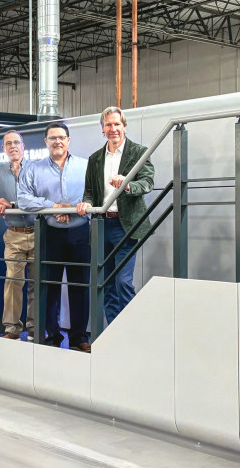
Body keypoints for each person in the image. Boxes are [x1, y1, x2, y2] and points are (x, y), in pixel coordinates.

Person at [76, 106, 154, 324]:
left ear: (124, 126)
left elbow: (147, 182)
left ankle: (129, 331)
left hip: (126, 226)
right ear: (102, 129)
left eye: (117, 124)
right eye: (108, 125)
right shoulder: (95, 158)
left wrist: (127, 184)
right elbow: (89, 191)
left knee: (123, 282)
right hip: (102, 226)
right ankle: (114, 329)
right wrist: (87, 203)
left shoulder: (138, 152)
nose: (113, 129)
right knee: (107, 283)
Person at [18, 122, 91, 352]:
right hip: (49, 233)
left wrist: (71, 208)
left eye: (61, 137)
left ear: (68, 140)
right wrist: (53, 206)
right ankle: (52, 336)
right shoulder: (33, 168)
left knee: (80, 286)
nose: (57, 141)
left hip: (80, 232)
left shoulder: (86, 166)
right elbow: (23, 199)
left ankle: (79, 338)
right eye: (52, 138)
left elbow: (93, 194)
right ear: (46, 142)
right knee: (49, 287)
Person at [0, 131, 35, 340]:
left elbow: (41, 199)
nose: (13, 146)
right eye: (8, 143)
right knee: (12, 282)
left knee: (36, 283)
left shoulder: (37, 169)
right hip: (14, 234)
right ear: (3, 148)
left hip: (39, 233)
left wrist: (12, 205)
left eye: (16, 142)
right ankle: (12, 329)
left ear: (23, 146)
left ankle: (35, 328)